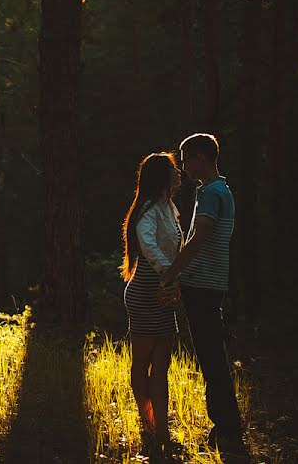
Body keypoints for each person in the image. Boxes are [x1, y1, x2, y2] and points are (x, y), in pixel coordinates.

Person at [160, 133, 248, 456]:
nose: (182, 167)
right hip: (209, 285)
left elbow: (200, 237)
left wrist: (173, 270)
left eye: (185, 160)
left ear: (200, 157)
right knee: (212, 356)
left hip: (205, 286)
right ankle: (226, 424)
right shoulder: (218, 191)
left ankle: (227, 427)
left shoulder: (211, 193)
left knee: (211, 359)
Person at [120, 152, 183, 458]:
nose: (179, 173)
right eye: (173, 169)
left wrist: (172, 281)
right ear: (161, 175)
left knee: (162, 367)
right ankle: (148, 425)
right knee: (142, 363)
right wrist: (168, 276)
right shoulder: (147, 210)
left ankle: (162, 432)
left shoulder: (169, 208)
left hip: (164, 292)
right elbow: (149, 246)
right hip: (146, 292)